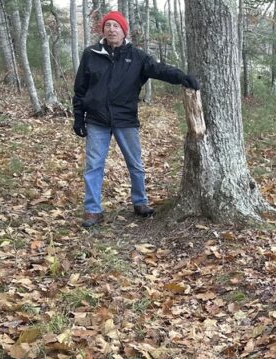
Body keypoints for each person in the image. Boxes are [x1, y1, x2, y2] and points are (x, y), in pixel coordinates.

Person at [72, 10, 199, 228]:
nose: (112, 29)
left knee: (135, 164)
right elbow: (80, 89)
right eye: (108, 25)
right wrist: (78, 118)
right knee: (94, 165)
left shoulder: (136, 56)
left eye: (116, 26)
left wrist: (182, 77)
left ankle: (140, 202)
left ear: (123, 31)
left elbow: (159, 69)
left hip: (125, 119)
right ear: (103, 30)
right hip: (96, 120)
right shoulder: (90, 54)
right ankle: (92, 210)